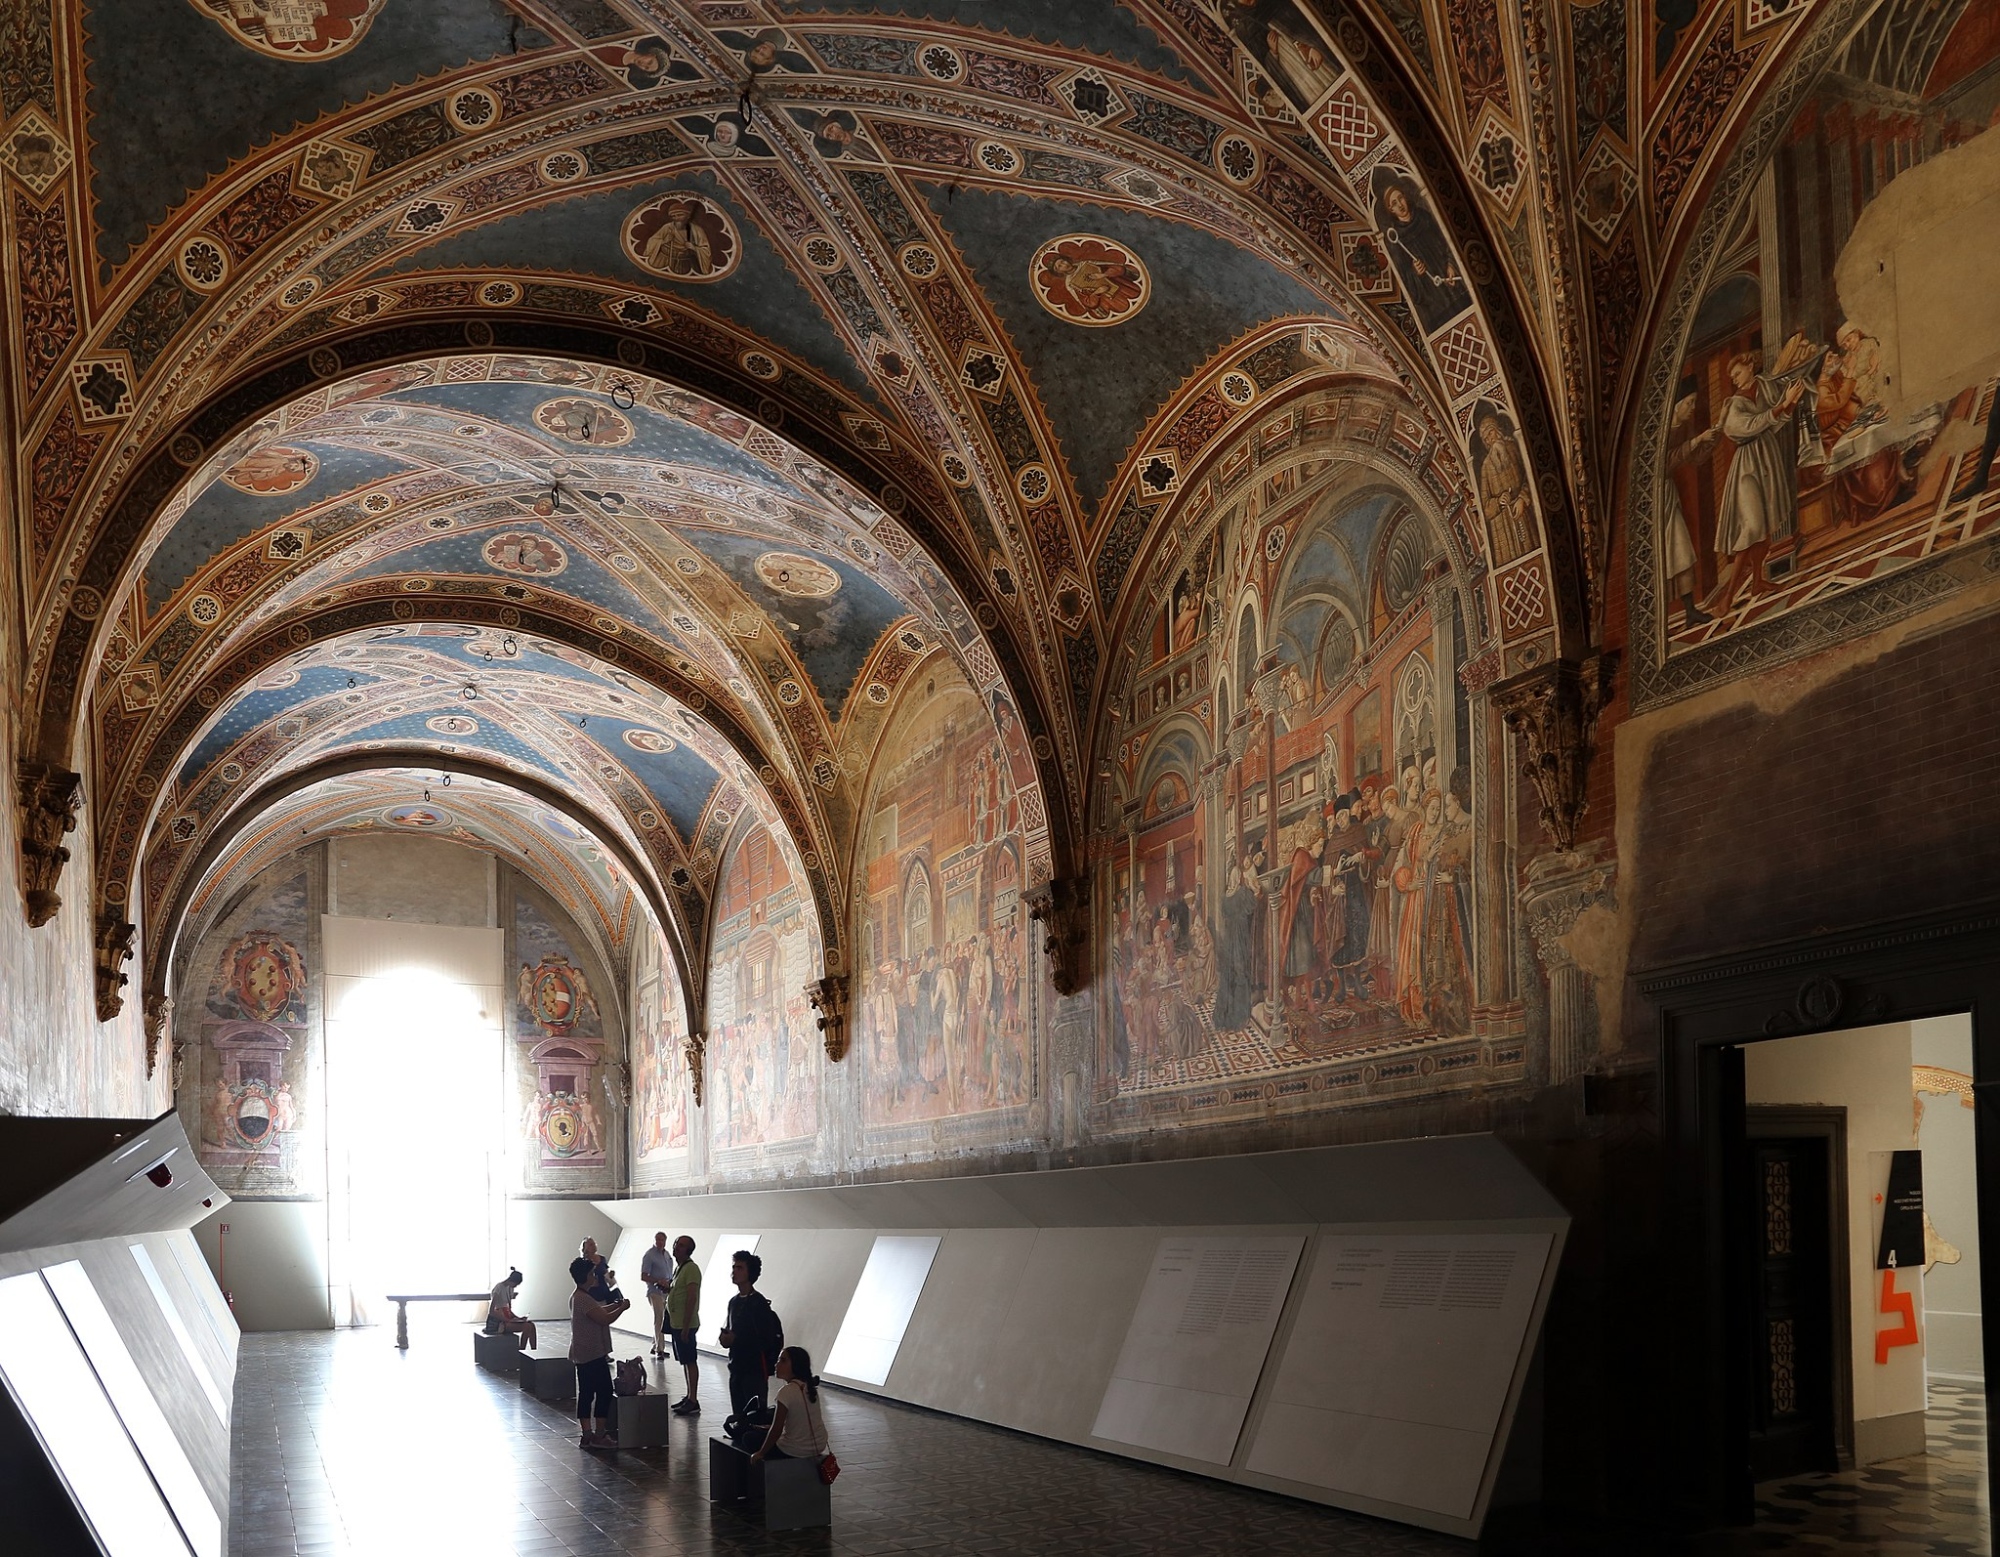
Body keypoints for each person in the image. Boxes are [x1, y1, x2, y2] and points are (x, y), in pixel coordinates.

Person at [568, 1255, 630, 1451]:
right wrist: (623, 1309)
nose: (595, 1277)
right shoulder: (583, 1298)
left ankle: (587, 1435)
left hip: (583, 1353)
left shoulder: (579, 1297)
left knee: (586, 1393)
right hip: (592, 1354)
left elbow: (599, 1311)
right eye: (592, 1274)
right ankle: (599, 1435)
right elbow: (604, 1319)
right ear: (586, 1276)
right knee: (603, 1392)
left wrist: (616, 1305)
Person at [717, 1249, 782, 1428]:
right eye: (734, 1267)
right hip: (736, 1366)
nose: (734, 1271)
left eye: (739, 1268)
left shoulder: (759, 1304)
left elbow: (764, 1340)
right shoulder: (734, 1302)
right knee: (739, 1415)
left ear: (750, 1273)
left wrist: (735, 1340)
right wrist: (726, 1338)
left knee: (754, 1417)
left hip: (754, 1369)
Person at [750, 1346, 830, 1467]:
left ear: (796, 1366)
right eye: (778, 1360)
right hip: (819, 1444)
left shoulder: (786, 1392)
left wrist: (761, 1453)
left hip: (795, 1449)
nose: (777, 1364)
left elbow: (777, 1429)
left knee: (748, 1438)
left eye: (783, 1361)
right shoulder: (809, 1387)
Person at [667, 1236, 703, 1415]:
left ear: (689, 1250)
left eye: (681, 1246)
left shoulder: (691, 1269)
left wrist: (687, 1326)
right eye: (676, 1244)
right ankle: (689, 1396)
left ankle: (694, 1399)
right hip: (677, 1323)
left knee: (690, 1360)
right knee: (684, 1360)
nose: (676, 1248)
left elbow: (691, 1297)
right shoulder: (679, 1269)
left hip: (685, 1324)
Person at [640, 1232, 674, 1360]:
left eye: (662, 1240)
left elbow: (670, 1273)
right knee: (659, 1317)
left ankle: (655, 1345)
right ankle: (660, 1349)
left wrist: (669, 1283)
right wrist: (657, 1281)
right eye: (658, 1239)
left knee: (662, 1317)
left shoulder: (667, 1255)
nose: (660, 1242)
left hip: (665, 1291)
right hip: (654, 1291)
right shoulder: (649, 1255)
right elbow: (643, 1275)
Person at [484, 1268, 537, 1351]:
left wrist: (518, 1318)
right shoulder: (499, 1288)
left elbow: (508, 1310)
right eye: (516, 1284)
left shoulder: (510, 1288)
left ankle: (534, 1351)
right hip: (498, 1323)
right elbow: (491, 1311)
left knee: (531, 1325)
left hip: (506, 1318)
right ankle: (521, 1351)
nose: (515, 1286)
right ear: (511, 1281)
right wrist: (508, 1320)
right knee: (526, 1327)